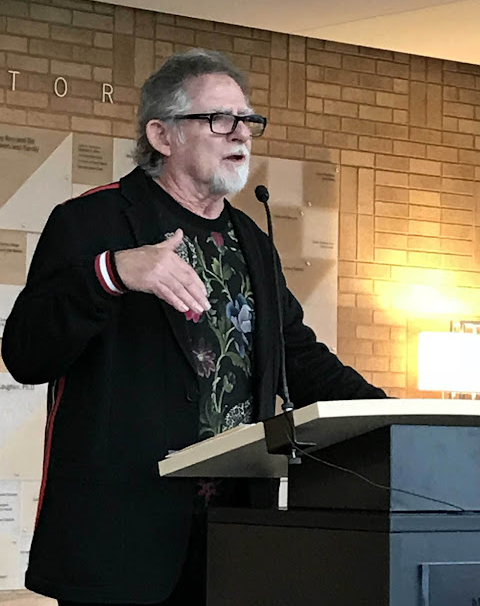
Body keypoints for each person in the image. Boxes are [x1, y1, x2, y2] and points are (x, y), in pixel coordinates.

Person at [2, 49, 385, 606]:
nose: (241, 135)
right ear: (162, 135)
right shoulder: (92, 220)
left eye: (247, 120)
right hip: (122, 538)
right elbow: (26, 354)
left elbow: (297, 358)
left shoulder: (253, 242)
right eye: (218, 119)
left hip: (231, 538)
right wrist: (113, 273)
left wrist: (391, 413)